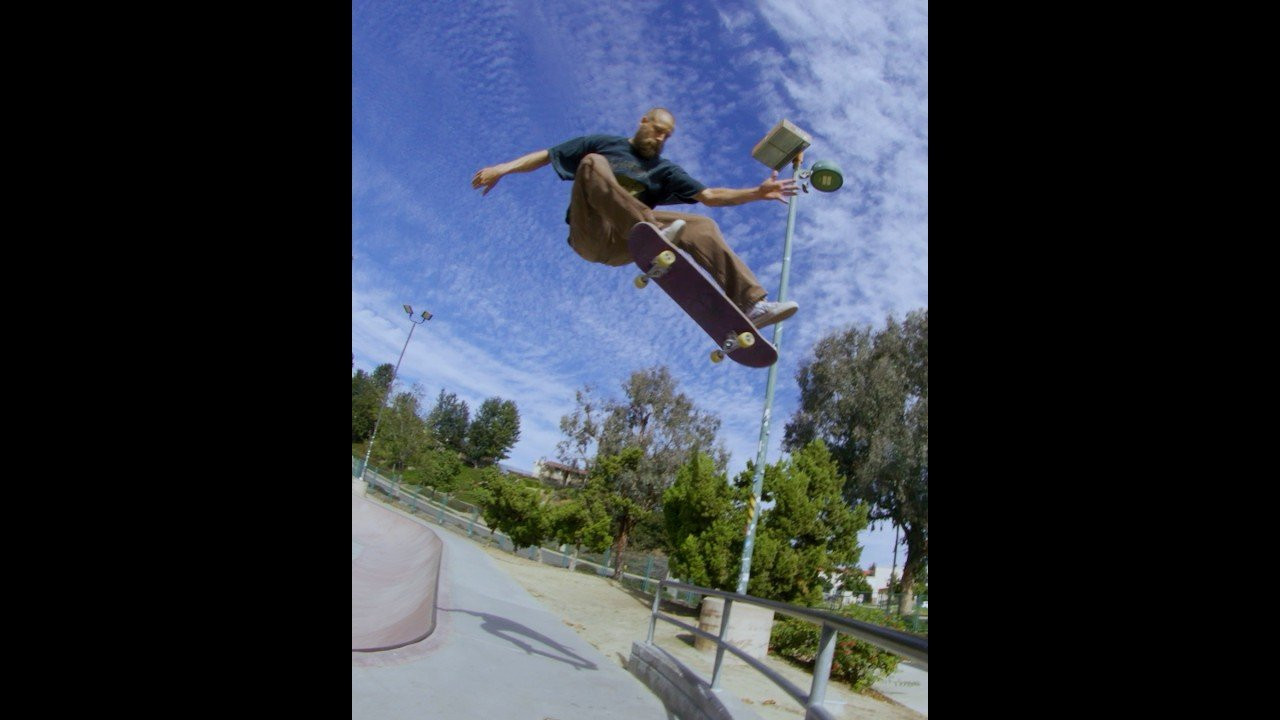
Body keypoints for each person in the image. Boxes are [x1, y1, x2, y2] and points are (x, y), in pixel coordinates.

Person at [471, 108, 800, 328]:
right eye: (657, 131)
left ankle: (751, 306)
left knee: (701, 225)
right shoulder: (604, 143)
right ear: (644, 121)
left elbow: (710, 197)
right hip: (590, 234)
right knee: (592, 163)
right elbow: (547, 155)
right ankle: (650, 232)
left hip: (628, 246)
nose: (660, 140)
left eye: (666, 137)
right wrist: (502, 169)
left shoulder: (664, 170)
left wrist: (757, 193)